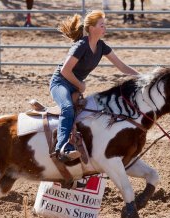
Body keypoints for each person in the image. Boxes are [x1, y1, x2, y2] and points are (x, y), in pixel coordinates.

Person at [50, 10, 139, 161]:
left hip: (76, 86)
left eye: (105, 25)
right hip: (60, 83)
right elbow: (65, 71)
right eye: (102, 25)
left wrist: (143, 78)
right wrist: (80, 85)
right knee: (67, 108)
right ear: (92, 28)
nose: (105, 28)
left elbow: (122, 67)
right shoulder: (81, 46)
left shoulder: (101, 46)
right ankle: (62, 148)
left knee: (88, 114)